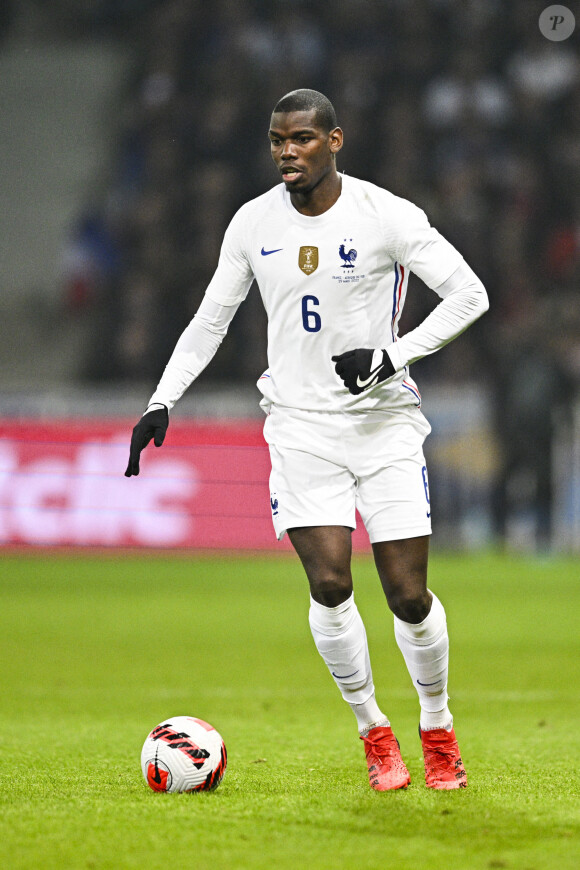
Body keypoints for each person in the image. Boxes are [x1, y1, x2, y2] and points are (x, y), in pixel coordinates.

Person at [125, 89, 488, 791]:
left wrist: (393, 356)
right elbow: (211, 318)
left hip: (384, 426)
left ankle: (437, 726)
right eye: (275, 141)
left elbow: (470, 294)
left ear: (334, 141)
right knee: (329, 583)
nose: (287, 152)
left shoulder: (387, 216)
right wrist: (161, 399)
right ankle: (373, 733)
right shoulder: (252, 223)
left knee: (408, 595)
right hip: (298, 428)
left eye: (300, 139)